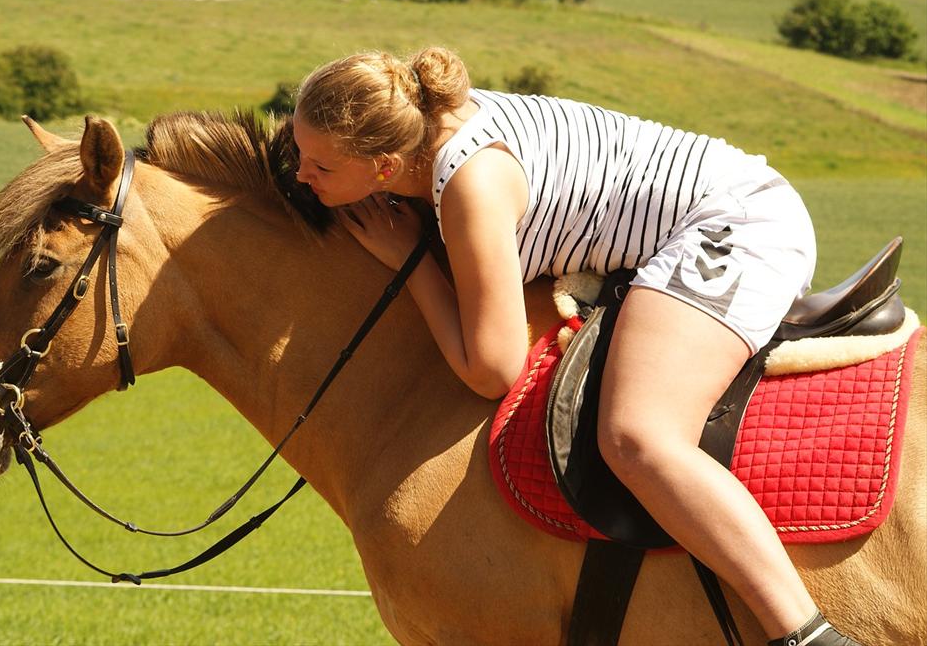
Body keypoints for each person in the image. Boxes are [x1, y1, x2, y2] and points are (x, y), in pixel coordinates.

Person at [291, 46, 863, 646]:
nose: (304, 174)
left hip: (734, 226)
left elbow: (493, 369)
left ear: (385, 167)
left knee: (639, 437)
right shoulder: (421, 117)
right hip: (715, 206)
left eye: (320, 166)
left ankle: (807, 634)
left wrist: (409, 261)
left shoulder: (472, 184)